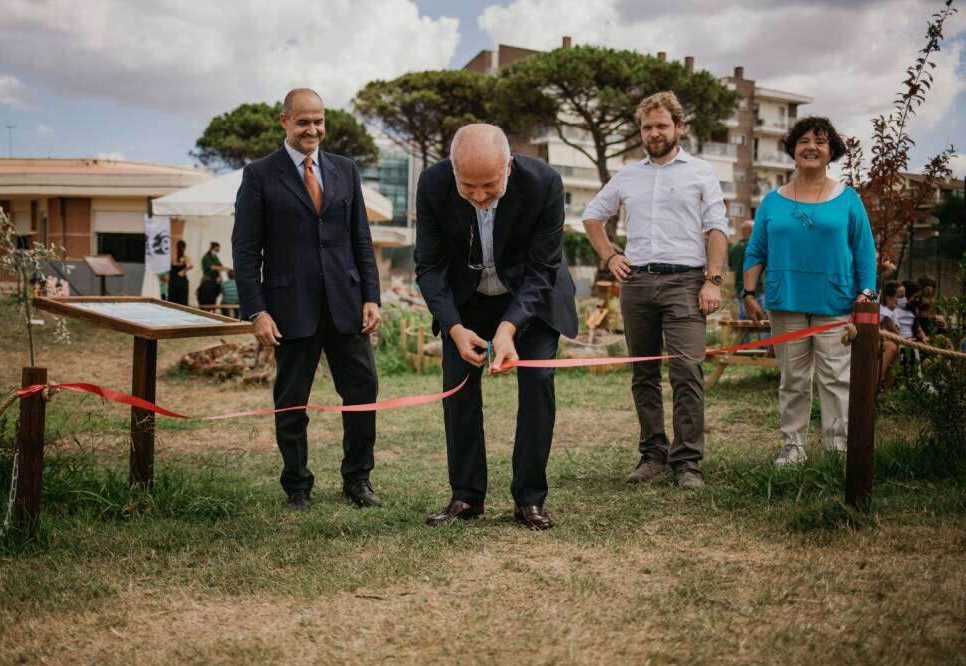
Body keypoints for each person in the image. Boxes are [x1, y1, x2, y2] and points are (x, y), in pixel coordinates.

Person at [415, 123, 578, 530]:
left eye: (489, 185)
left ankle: (530, 498)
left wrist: (509, 329)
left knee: (537, 385)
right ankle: (467, 496)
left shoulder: (545, 183)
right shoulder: (432, 184)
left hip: (530, 296)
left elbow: (544, 268)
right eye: (467, 186)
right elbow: (430, 266)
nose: (480, 196)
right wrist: (453, 327)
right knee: (457, 388)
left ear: (508, 165)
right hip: (466, 300)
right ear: (452, 170)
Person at [232, 88, 383, 511]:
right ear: (284, 121)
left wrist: (371, 295)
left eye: (318, 121)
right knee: (292, 400)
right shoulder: (259, 174)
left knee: (363, 391)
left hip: (347, 305)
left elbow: (360, 238)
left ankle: (358, 481)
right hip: (288, 310)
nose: (312, 129)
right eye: (303, 122)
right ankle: (297, 486)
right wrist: (257, 310)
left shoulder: (345, 169)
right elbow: (246, 250)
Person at [583, 91, 729, 490]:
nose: (654, 133)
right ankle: (652, 454)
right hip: (637, 283)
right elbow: (592, 217)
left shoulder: (701, 172)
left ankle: (687, 463)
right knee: (643, 373)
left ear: (679, 127)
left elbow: (717, 228)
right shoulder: (629, 175)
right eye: (647, 127)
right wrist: (611, 256)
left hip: (686, 282)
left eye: (662, 125)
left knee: (687, 371)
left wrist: (712, 281)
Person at [743, 116, 876, 466]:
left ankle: (837, 448)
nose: (811, 147)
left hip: (835, 302)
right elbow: (756, 250)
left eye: (820, 141)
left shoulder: (848, 199)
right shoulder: (773, 201)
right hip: (786, 302)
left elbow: (864, 251)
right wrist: (748, 294)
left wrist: (866, 292)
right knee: (793, 380)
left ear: (831, 151)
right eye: (803, 141)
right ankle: (793, 447)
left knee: (835, 379)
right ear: (792, 149)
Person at [728, 219, 766, 341]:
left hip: (740, 288)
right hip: (758, 287)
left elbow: (731, 268)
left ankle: (744, 345)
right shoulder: (757, 246)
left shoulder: (733, 248)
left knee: (744, 318)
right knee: (763, 318)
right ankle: (764, 345)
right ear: (752, 231)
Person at [878, 281, 902, 391]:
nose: (901, 300)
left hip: (884, 339)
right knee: (892, 347)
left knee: (896, 347)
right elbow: (895, 333)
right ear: (888, 298)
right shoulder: (884, 312)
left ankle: (888, 388)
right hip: (875, 339)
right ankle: (875, 383)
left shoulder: (893, 312)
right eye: (899, 297)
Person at [197, 242, 225, 306]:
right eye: (217, 248)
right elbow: (212, 267)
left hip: (215, 280)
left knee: (213, 298)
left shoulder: (215, 257)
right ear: (213, 248)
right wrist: (223, 268)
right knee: (205, 297)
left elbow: (221, 266)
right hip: (208, 279)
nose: (218, 250)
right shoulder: (206, 257)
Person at [167, 240, 192, 306]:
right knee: (182, 302)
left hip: (173, 281)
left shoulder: (172, 257)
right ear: (184, 248)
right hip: (182, 281)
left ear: (176, 247)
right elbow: (191, 265)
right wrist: (184, 271)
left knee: (172, 302)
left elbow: (167, 268)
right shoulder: (185, 257)